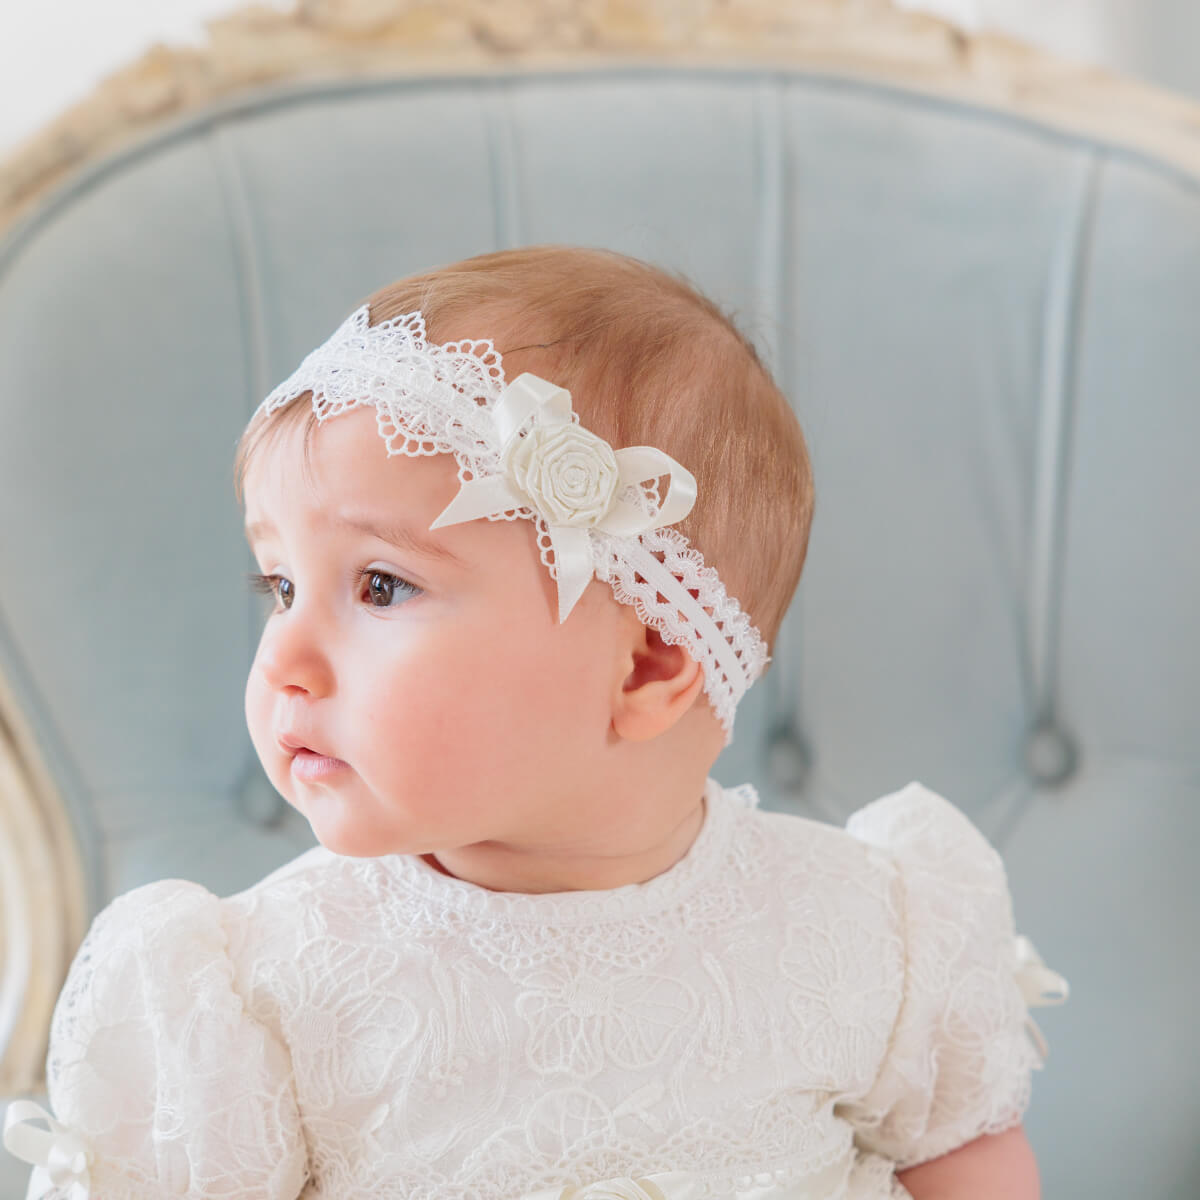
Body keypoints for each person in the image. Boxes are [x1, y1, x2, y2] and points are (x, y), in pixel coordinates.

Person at [4, 246, 1067, 1200]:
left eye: (379, 586)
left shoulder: (867, 927)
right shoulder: (260, 991)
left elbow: (963, 1160)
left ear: (647, 664)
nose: (284, 659)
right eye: (279, 586)